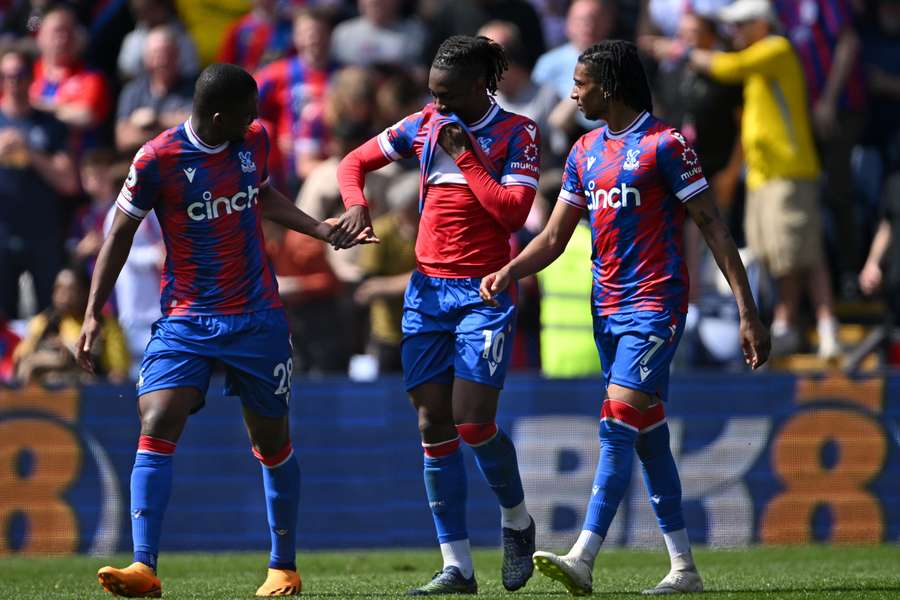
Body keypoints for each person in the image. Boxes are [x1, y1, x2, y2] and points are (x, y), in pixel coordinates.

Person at [480, 40, 769, 595]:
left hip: (656, 304)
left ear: (608, 86)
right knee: (648, 438)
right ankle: (684, 568)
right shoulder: (584, 150)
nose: (572, 92)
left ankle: (584, 556)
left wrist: (747, 311)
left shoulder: (667, 146)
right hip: (606, 309)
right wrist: (510, 270)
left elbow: (712, 225)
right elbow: (554, 236)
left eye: (581, 82)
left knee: (616, 424)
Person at [76, 63, 375, 598]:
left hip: (257, 316)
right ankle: (144, 565)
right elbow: (117, 235)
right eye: (246, 114)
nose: (256, 121)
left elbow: (263, 195)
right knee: (159, 413)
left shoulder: (252, 141)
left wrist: (320, 229)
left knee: (271, 439)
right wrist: (93, 312)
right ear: (217, 117)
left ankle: (283, 567)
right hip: (187, 316)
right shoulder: (157, 159)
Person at [334, 35, 541, 594]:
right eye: (432, 93)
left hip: (484, 291)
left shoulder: (517, 133)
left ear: (481, 86)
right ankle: (457, 566)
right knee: (432, 424)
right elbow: (353, 161)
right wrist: (358, 202)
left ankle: (518, 523)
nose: (437, 104)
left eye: (447, 94)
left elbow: (513, 213)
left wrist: (466, 153)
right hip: (427, 293)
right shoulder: (425, 124)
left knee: (473, 420)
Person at [687, 0, 841, 358]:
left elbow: (728, 67)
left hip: (789, 171)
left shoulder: (775, 48)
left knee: (800, 252)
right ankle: (793, 322)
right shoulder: (760, 61)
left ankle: (820, 322)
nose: (735, 32)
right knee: (780, 253)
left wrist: (685, 53)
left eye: (742, 25)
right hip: (764, 175)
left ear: (761, 24)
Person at [0, 46, 78, 319]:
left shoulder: (50, 124)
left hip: (42, 234)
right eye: (6, 75)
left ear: (30, 77)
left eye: (19, 74)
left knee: (50, 316)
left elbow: (68, 181)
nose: (13, 82)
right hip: (3, 234)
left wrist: (30, 151)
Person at [15, 266, 129, 386]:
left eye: (71, 290)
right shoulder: (42, 322)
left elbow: (118, 373)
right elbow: (21, 361)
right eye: (58, 289)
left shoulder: (104, 325)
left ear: (86, 293)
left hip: (87, 393)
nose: (63, 296)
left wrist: (70, 354)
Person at [115, 24, 195, 154]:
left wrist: (154, 120)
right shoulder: (132, 91)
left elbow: (196, 127)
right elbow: (123, 139)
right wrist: (172, 127)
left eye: (167, 54)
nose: (162, 61)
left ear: (177, 56)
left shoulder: (194, 89)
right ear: (146, 58)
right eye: (156, 54)